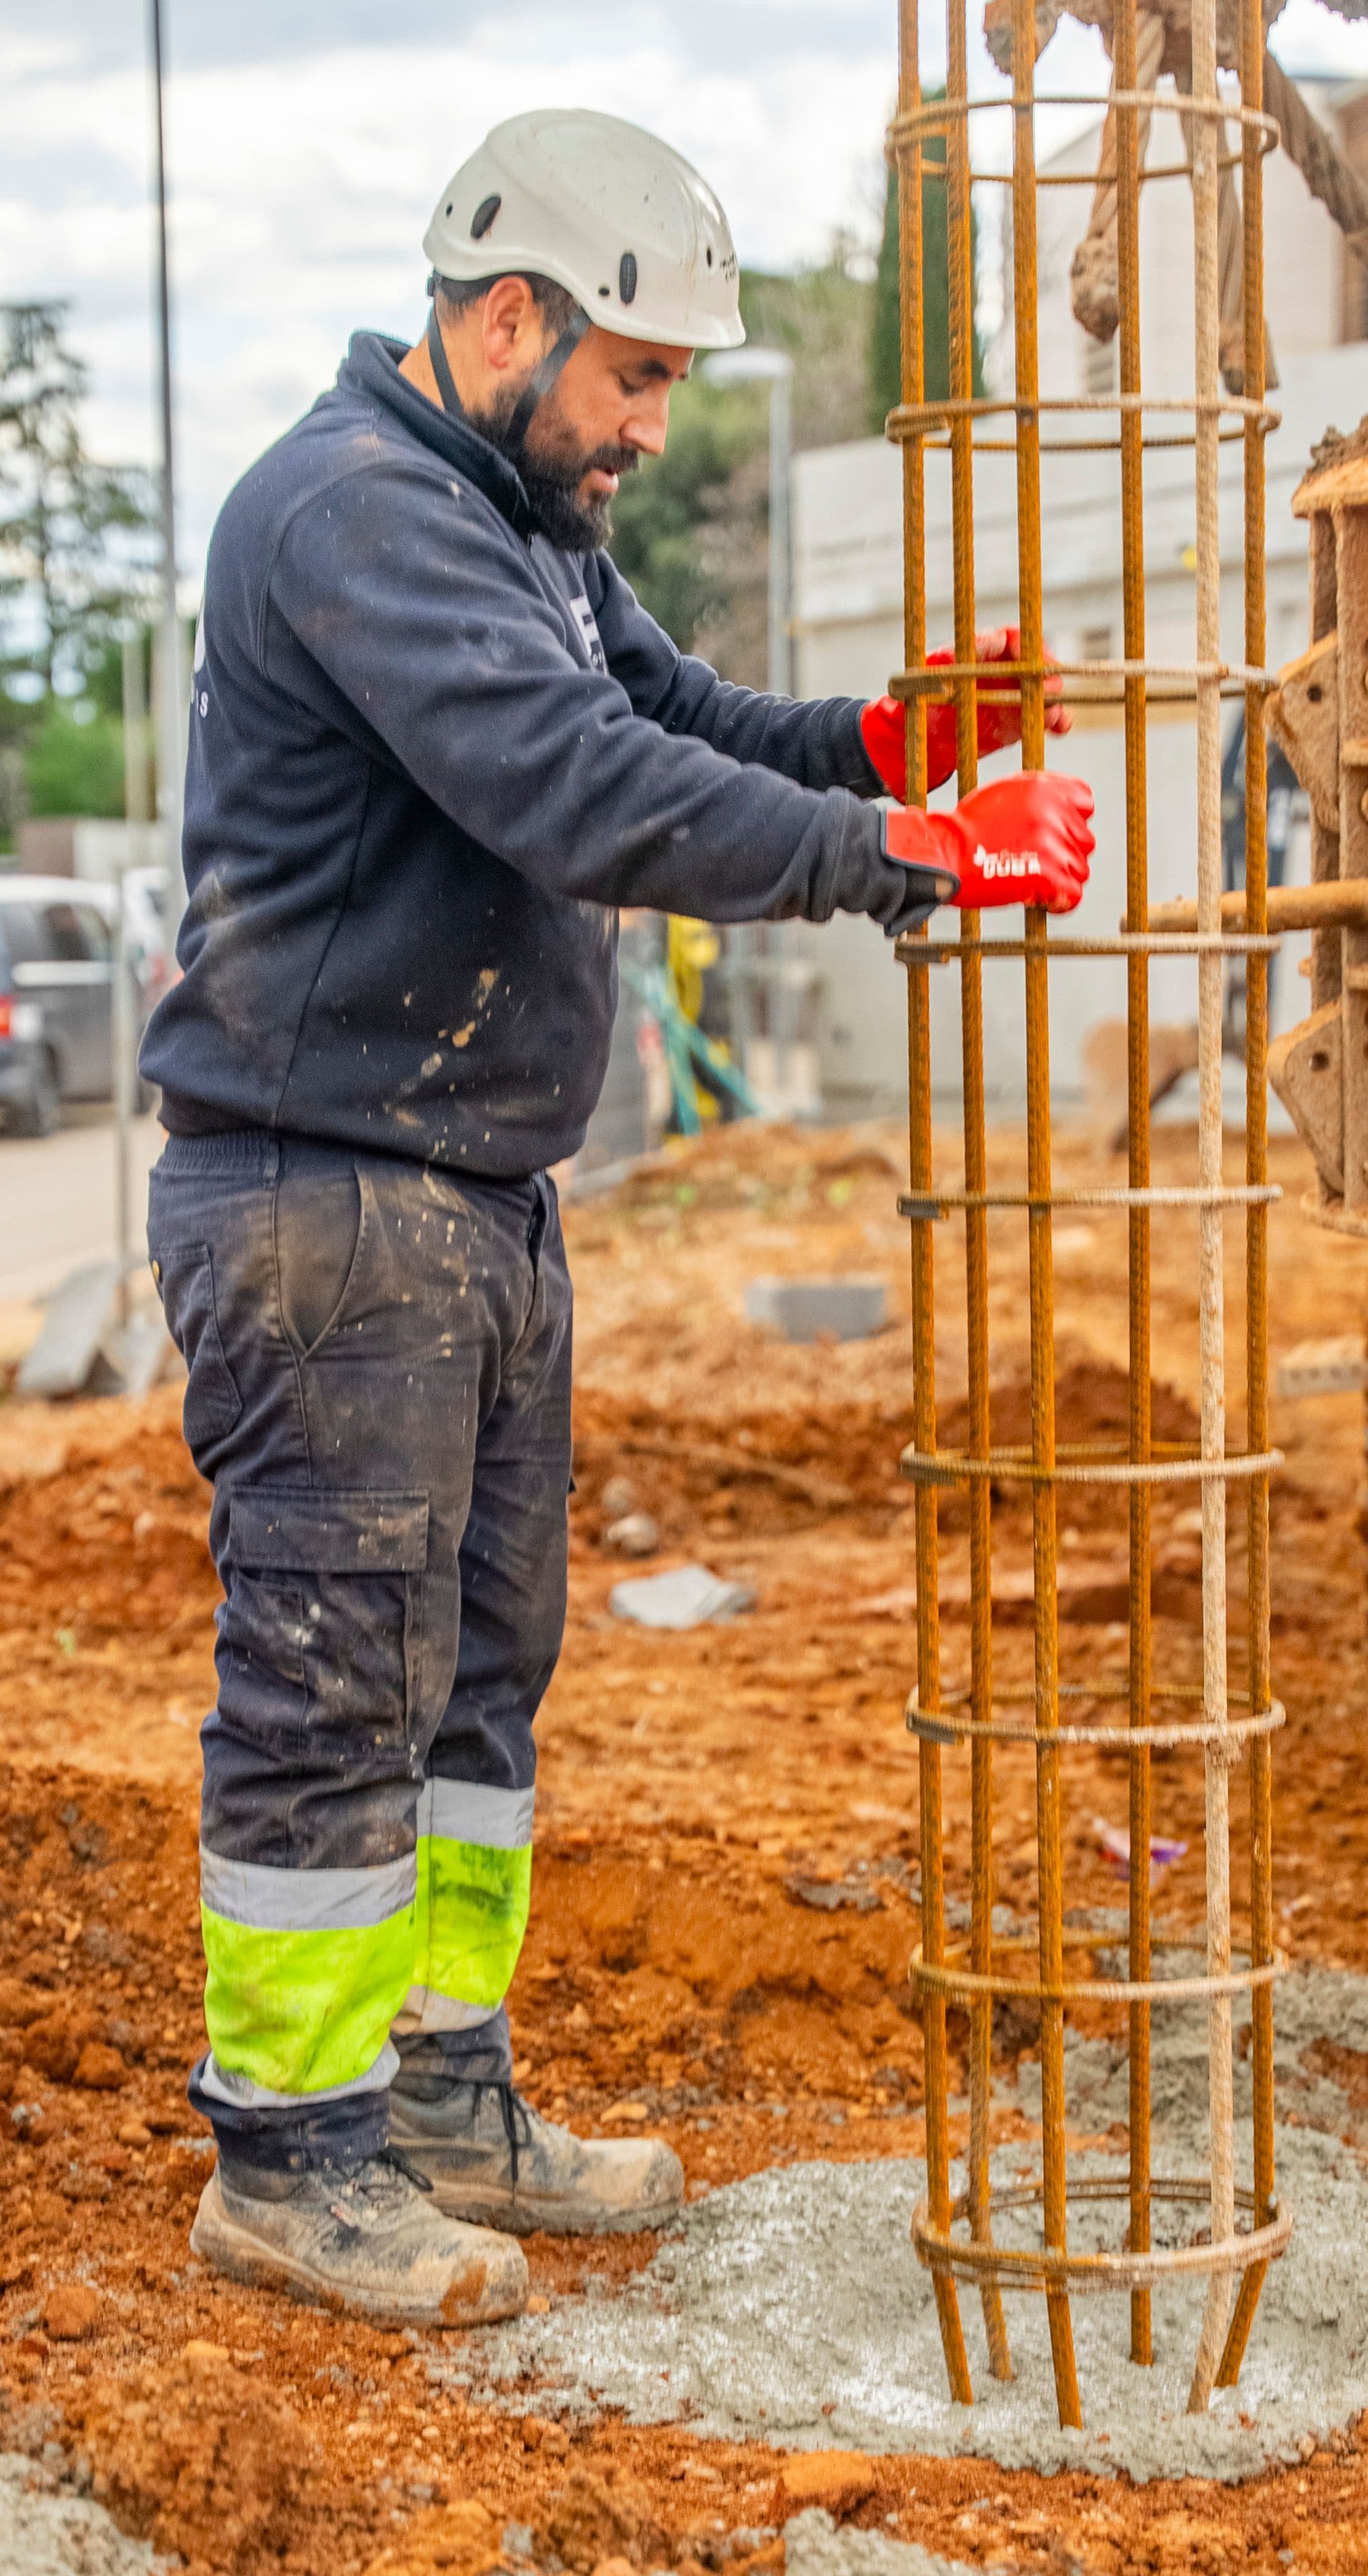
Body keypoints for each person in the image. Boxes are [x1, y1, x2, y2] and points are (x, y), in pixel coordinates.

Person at [140, 107, 1094, 2327]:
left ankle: (445, 2098)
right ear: (508, 320)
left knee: (478, 1678)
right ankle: (288, 2160)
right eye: (637, 375)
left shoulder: (514, 514)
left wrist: (874, 740)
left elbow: (662, 708)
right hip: (327, 1198)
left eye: (669, 382)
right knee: (330, 1687)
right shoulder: (357, 516)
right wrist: (916, 856)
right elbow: (578, 787)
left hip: (465, 1195)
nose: (653, 423)